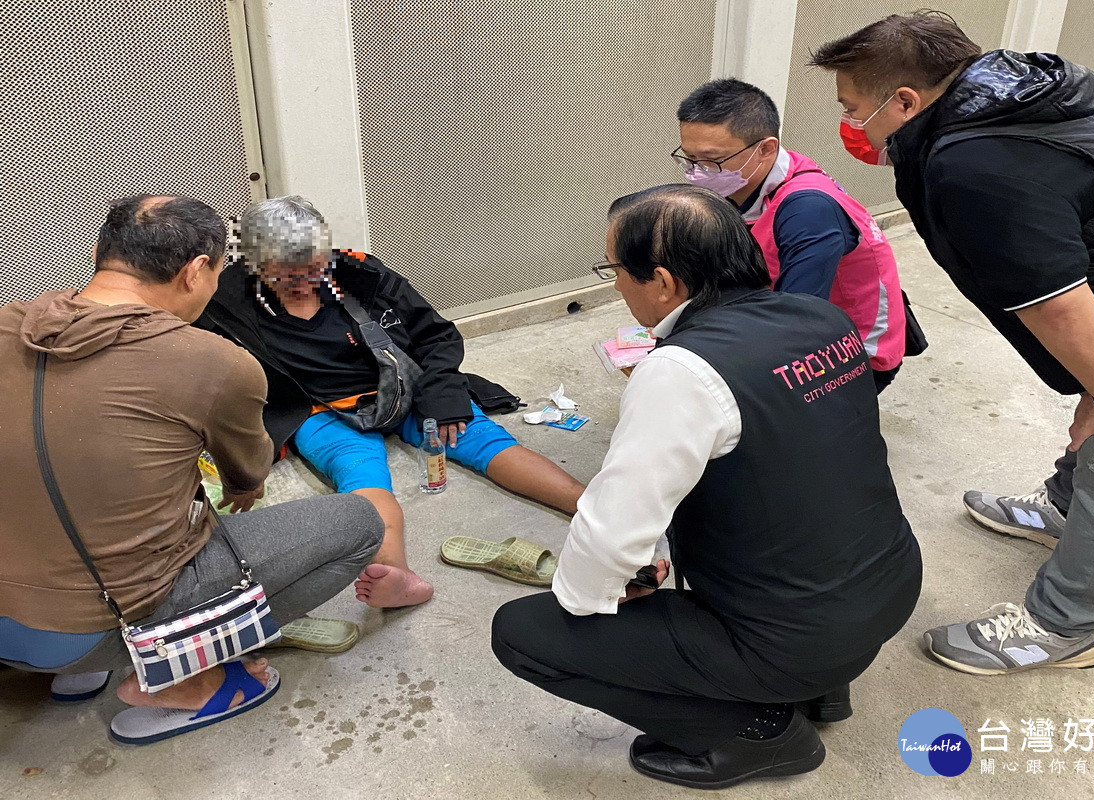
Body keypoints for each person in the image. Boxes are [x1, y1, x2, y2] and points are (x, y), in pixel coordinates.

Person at [491, 185, 922, 790]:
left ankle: (756, 736)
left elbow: (611, 531)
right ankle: (822, 687)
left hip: (794, 638)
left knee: (524, 635)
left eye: (613, 270)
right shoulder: (820, 317)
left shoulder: (681, 371)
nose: (614, 284)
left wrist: (603, 597)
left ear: (663, 283)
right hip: (888, 588)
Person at [812, 11, 1094, 675]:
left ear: (904, 100)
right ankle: (1063, 509)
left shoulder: (980, 166)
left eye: (852, 106)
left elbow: (1062, 307)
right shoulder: (1006, 99)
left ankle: (1063, 629)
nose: (849, 121)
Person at [0, 195, 385, 743]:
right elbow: (246, 478)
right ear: (195, 270)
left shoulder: (11, 321)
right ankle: (179, 680)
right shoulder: (211, 361)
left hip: (8, 626)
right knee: (358, 523)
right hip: (88, 623)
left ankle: (79, 676)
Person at [197, 196, 586, 606]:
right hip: (318, 407)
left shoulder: (361, 272)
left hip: (402, 383)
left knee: (482, 441)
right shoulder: (225, 300)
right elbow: (209, 380)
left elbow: (435, 334)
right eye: (287, 274)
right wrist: (240, 460)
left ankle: (591, 507)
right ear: (256, 266)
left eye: (314, 266)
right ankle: (398, 576)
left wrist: (444, 395)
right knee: (361, 474)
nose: (305, 282)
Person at [673, 78, 908, 392]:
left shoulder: (808, 209)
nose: (697, 172)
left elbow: (795, 324)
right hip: (795, 314)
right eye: (689, 158)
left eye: (711, 160)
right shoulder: (754, 176)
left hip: (853, 355)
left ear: (766, 149)